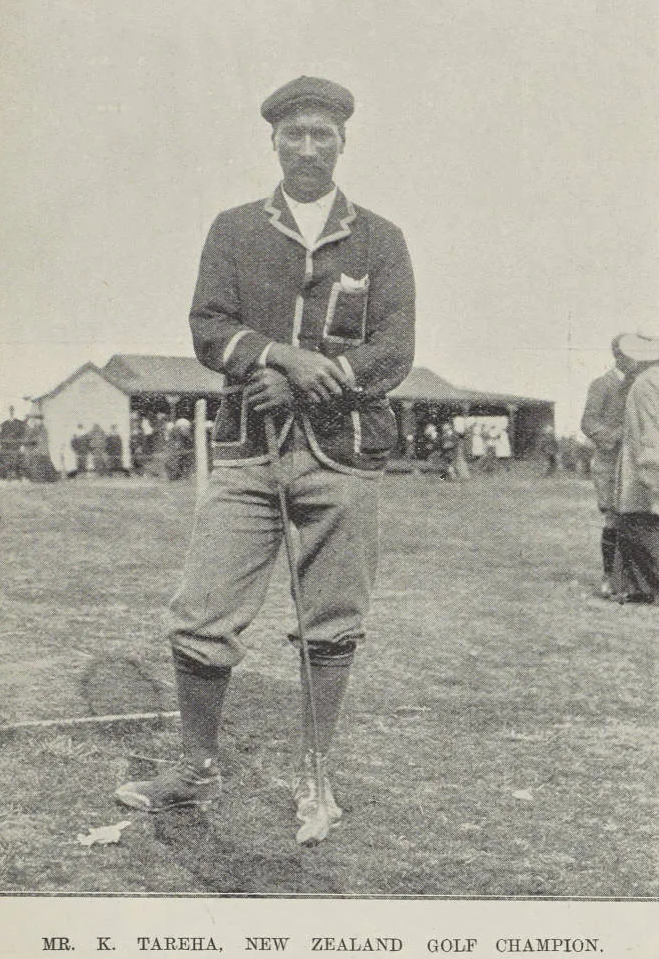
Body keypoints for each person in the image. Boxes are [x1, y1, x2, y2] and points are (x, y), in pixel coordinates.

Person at [115, 75, 416, 838]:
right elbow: (208, 329)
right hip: (247, 452)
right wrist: (281, 359)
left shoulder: (380, 238)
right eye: (294, 135)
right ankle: (194, 768)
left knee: (331, 622)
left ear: (343, 143)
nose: (308, 148)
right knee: (201, 615)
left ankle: (316, 776)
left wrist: (317, 386)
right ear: (272, 142)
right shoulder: (235, 229)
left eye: (322, 135)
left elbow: (393, 349)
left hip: (343, 456)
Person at [580, 335, 632, 597]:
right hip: (610, 463)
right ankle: (609, 575)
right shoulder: (602, 384)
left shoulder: (640, 385)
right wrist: (616, 436)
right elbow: (588, 422)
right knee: (614, 519)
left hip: (633, 462)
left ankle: (633, 578)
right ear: (619, 356)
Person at [614, 332, 659, 604]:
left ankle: (653, 589)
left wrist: (652, 472)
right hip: (653, 463)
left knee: (641, 527)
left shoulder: (645, 384)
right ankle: (642, 587)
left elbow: (651, 434)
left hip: (647, 468)